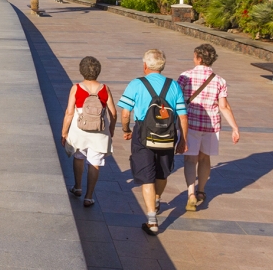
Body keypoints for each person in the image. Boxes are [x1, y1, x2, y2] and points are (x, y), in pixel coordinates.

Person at [117, 49, 188, 236]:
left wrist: (126, 129)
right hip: (167, 135)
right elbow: (182, 116)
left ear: (145, 65)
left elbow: (125, 113)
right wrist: (183, 139)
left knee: (146, 175)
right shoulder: (173, 86)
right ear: (163, 66)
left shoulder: (136, 84)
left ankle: (152, 220)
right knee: (162, 173)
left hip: (143, 134)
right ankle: (157, 199)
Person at [177, 43, 240, 211]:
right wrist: (235, 128)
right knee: (204, 159)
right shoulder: (219, 80)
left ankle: (190, 193)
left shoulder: (185, 77)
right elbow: (224, 106)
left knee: (190, 160)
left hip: (190, 124)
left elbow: (177, 100)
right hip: (211, 126)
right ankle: (201, 191)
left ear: (198, 58)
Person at [60, 56, 117, 207]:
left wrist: (64, 132)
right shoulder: (104, 89)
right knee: (95, 162)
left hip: (80, 129)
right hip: (99, 130)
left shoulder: (76, 88)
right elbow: (113, 112)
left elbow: (69, 112)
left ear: (81, 70)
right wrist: (111, 129)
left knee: (78, 156)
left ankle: (78, 187)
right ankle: (89, 196)